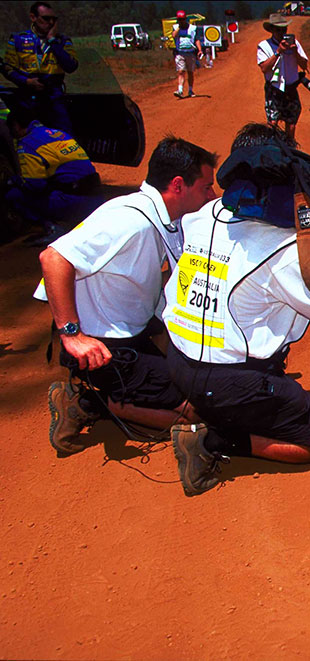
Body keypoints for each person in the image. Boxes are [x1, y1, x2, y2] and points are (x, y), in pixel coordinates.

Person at [161, 123, 310, 497]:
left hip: (178, 360)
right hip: (228, 379)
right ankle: (214, 441)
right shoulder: (284, 244)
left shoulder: (200, 215)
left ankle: (207, 409)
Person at [35, 136, 218, 456]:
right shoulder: (129, 219)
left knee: (203, 381)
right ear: (178, 185)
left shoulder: (163, 218)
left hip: (130, 327)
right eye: (206, 187)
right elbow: (53, 259)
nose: (212, 195)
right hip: (103, 347)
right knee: (193, 411)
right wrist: (73, 335)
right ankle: (87, 401)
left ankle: (104, 391)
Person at [5, 106, 102, 242]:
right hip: (96, 197)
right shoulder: (56, 133)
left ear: (16, 126)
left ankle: (52, 228)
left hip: (73, 202)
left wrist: (14, 180)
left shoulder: (27, 143)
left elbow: (35, 185)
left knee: (14, 195)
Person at [1, 1, 78, 134]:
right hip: (27, 97)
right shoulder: (18, 39)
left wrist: (52, 41)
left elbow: (71, 66)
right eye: (46, 18)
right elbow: (8, 68)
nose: (50, 22)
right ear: (33, 17)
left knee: (64, 135)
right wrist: (27, 82)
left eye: (54, 19)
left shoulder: (62, 41)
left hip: (54, 96)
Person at [257, 14, 309, 143]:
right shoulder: (264, 46)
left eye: (284, 29)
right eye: (278, 30)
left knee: (291, 123)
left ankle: (290, 149)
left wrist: (295, 52)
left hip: (291, 88)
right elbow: (264, 68)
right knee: (272, 122)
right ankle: (270, 147)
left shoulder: (294, 44)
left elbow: (304, 65)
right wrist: (278, 51)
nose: (281, 33)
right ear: (272, 31)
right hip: (274, 89)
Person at [171, 11, 203, 99]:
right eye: (179, 20)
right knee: (181, 71)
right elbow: (173, 35)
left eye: (182, 19)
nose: (181, 21)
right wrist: (179, 28)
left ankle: (190, 90)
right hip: (180, 53)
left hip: (190, 53)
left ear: (186, 19)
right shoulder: (175, 28)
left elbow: (196, 40)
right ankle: (180, 90)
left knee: (190, 72)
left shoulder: (193, 28)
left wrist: (200, 50)